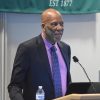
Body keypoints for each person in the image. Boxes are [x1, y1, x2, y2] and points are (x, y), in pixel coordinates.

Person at [8, 8, 71, 100]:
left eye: (61, 24)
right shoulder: (27, 49)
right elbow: (14, 86)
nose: (59, 28)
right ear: (43, 27)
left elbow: (66, 82)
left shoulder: (66, 48)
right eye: (54, 24)